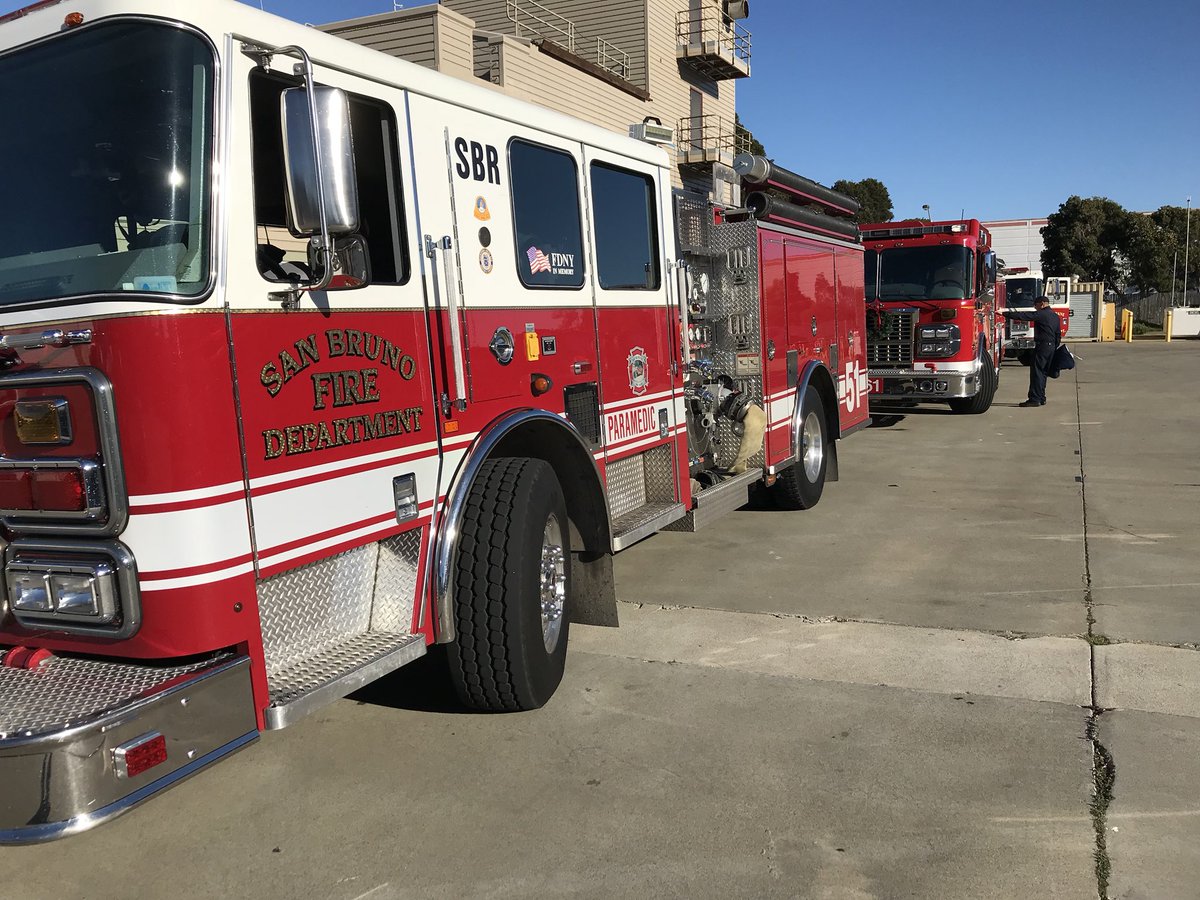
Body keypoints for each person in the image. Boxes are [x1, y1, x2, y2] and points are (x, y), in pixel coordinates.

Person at [1004, 295, 1060, 406]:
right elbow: (1058, 334)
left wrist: (1005, 313)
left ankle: (1034, 399)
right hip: (1051, 347)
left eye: (1036, 305)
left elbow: (1025, 316)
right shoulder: (1055, 316)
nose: (1035, 308)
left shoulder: (1042, 314)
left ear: (1042, 304)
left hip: (1042, 347)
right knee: (1043, 373)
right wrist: (1054, 347)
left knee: (1037, 373)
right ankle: (1041, 397)